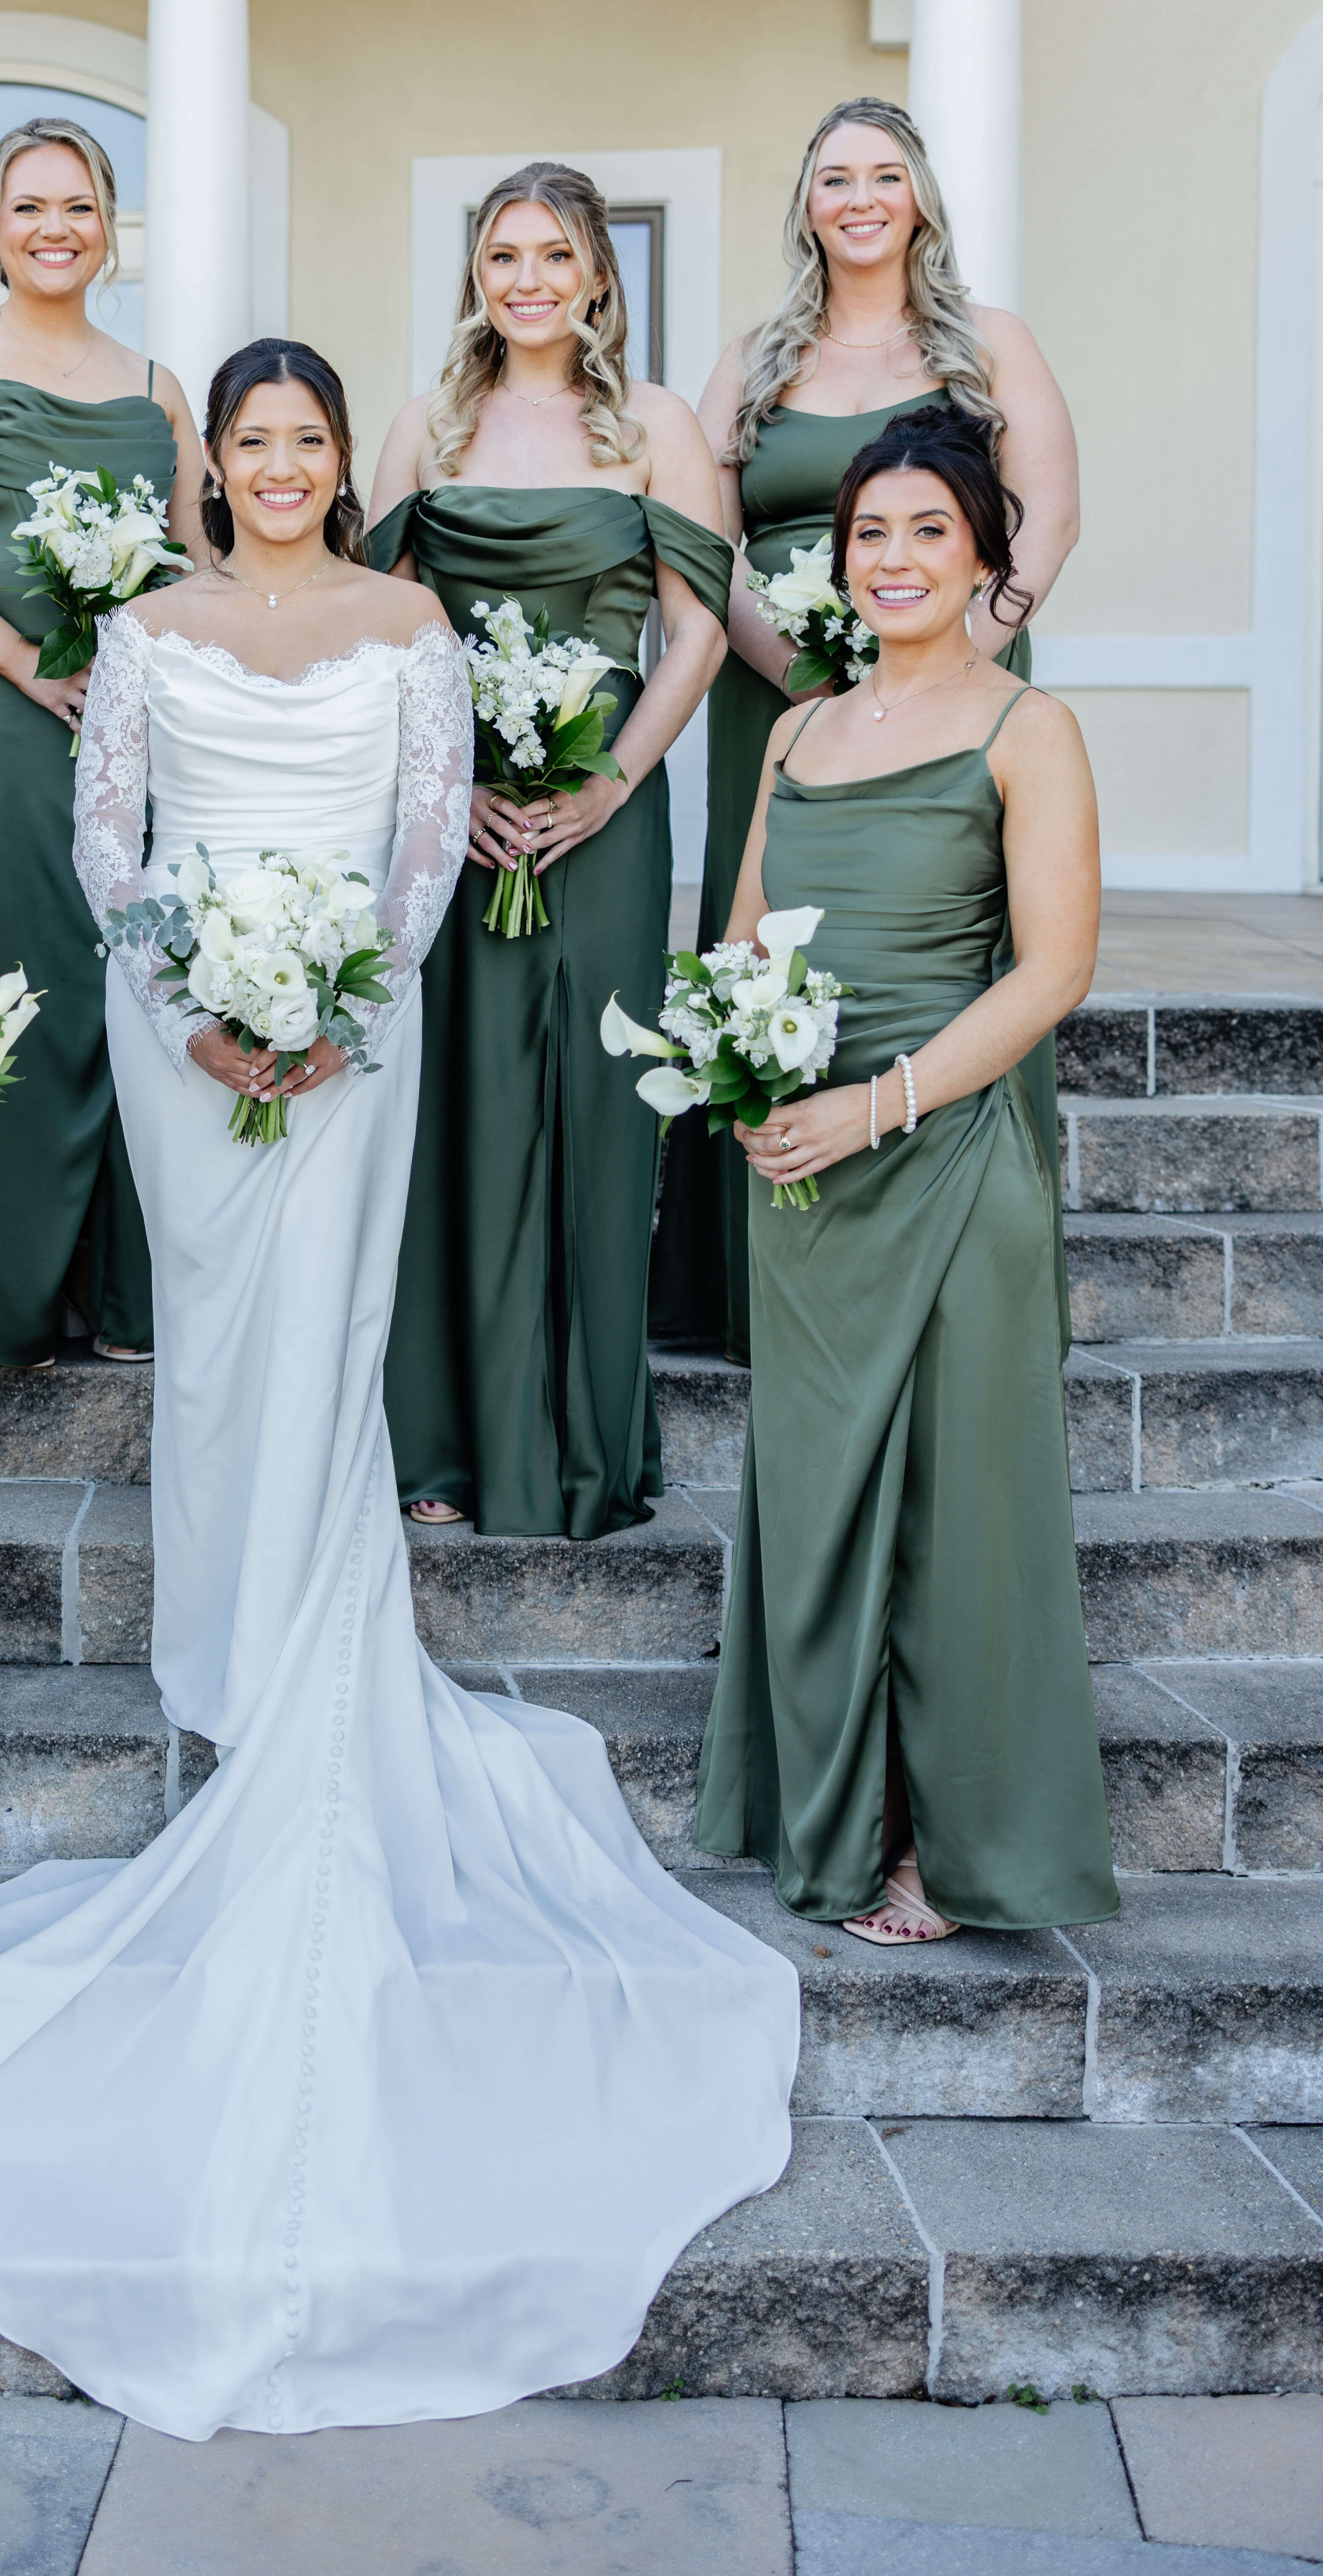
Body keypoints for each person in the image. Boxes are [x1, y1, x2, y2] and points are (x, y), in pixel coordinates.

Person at [0, 342, 799, 2440]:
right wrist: (201, 998)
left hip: (358, 1032)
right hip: (189, 1034)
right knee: (221, 1338)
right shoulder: (150, 627)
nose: (278, 465)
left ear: (342, 463)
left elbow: (431, 847)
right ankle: (218, 1639)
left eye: (304, 440)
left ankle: (309, 1640)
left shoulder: (409, 620)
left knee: (332, 1331)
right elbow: (108, 849)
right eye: (250, 441)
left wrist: (335, 997)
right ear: (217, 468)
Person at [696, 402, 1116, 1944]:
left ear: (987, 556)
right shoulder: (800, 730)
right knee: (818, 1508)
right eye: (865, 532)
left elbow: (1050, 974)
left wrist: (873, 1105)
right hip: (798, 1168)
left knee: (957, 1521)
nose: (888, 558)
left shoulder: (1028, 730)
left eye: (926, 530)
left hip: (940, 1159)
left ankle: (954, 1848)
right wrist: (737, 1076)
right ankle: (825, 1818)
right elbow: (740, 941)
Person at [649, 97, 1079, 1365]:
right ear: (806, 206)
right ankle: (756, 1274)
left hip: (960, 677)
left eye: (884, 175)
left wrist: (950, 660)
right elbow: (705, 534)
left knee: (959, 941)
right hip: (780, 697)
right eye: (834, 178)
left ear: (921, 198)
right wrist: (804, 673)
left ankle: (964, 1258)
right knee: (771, 934)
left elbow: (1047, 517)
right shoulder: (756, 360)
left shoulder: (990, 343)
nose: (859, 198)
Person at [368, 164, 728, 1536]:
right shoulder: (427, 427)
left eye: (553, 255)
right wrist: (443, 786)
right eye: (502, 254)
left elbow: (696, 628)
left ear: (596, 278)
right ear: (478, 275)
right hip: (454, 823)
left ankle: (584, 1447)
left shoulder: (655, 427)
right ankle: (449, 1449)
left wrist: (614, 782)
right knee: (460, 1109)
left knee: (593, 1109)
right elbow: (388, 630)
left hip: (606, 823)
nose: (526, 279)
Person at [0, 116, 202, 1370]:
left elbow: (193, 564)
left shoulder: (161, 387)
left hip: (126, 734)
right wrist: (25, 666)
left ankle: (116, 1291)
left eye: (79, 207)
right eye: (29, 206)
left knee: (122, 977)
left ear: (111, 230)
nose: (54, 229)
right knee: (0, 976)